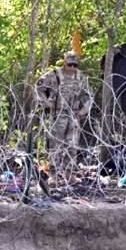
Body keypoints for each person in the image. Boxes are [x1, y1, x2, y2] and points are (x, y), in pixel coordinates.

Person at [34, 51, 93, 181]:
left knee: (72, 145)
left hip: (74, 114)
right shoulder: (54, 75)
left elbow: (88, 95)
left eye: (75, 65)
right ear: (64, 62)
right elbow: (39, 88)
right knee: (55, 144)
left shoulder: (81, 77)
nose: (72, 68)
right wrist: (47, 103)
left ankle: (69, 173)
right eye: (69, 64)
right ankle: (53, 174)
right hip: (58, 114)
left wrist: (84, 110)